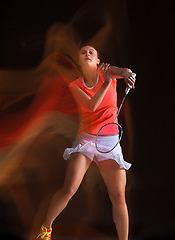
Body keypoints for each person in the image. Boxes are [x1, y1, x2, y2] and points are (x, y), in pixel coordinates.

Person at [36, 44, 136, 240]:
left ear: (98, 60)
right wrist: (107, 83)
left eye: (91, 52)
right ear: (78, 61)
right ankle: (46, 229)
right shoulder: (75, 86)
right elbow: (91, 106)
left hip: (110, 143)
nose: (87, 53)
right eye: (83, 52)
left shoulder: (108, 71)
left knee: (118, 197)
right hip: (87, 141)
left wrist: (127, 74)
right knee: (69, 188)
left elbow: (123, 71)